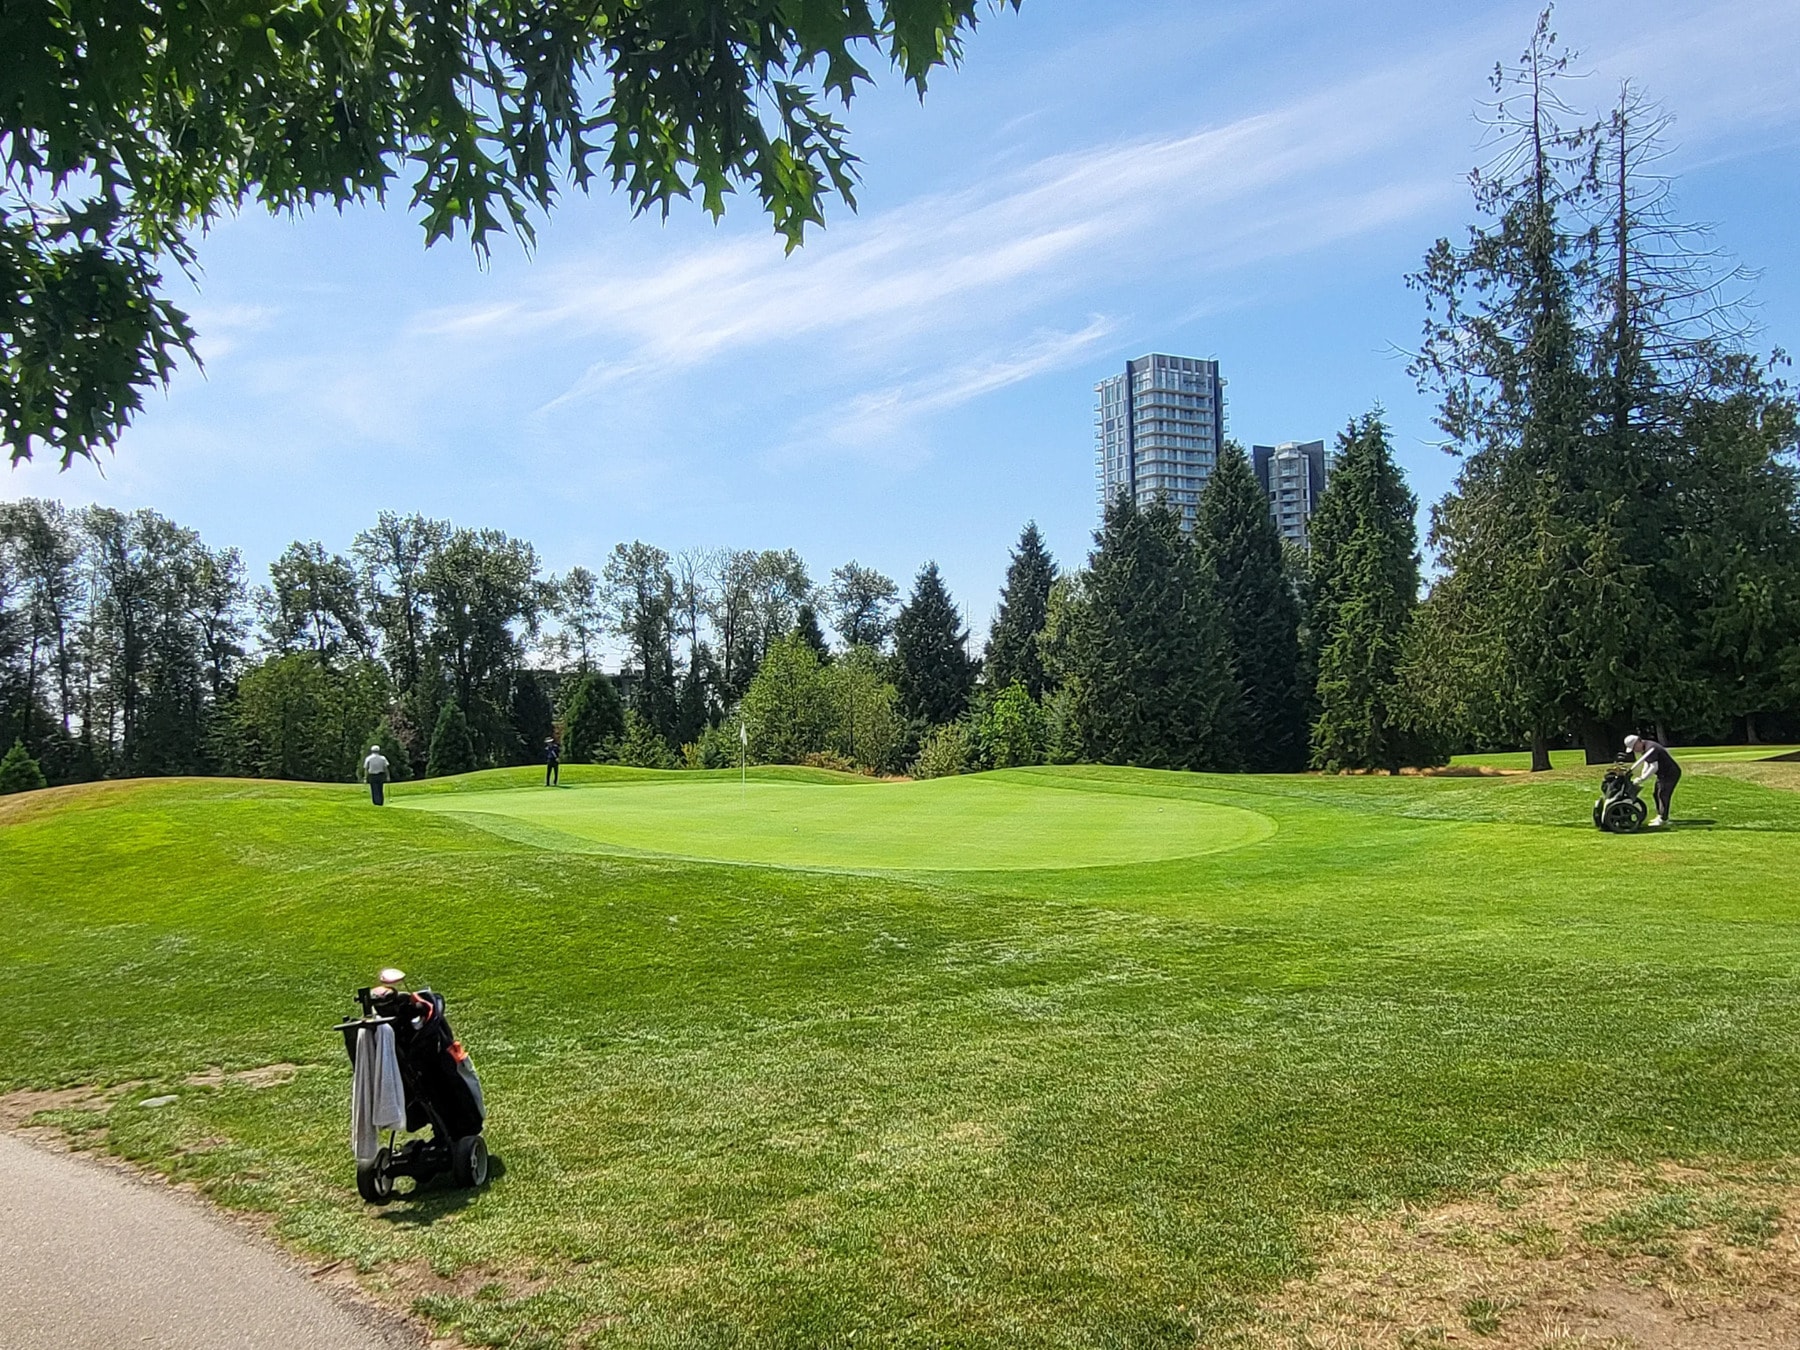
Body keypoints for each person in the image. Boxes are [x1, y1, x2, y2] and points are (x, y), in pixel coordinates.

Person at [1624, 733, 1680, 827]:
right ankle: (1660, 815)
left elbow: (1654, 767)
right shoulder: (1645, 747)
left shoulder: (1651, 748)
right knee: (1656, 794)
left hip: (1670, 774)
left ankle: (1663, 819)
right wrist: (1642, 775)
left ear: (1638, 742)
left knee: (1663, 794)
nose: (1634, 750)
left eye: (1634, 748)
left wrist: (1642, 779)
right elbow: (1647, 763)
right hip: (1662, 774)